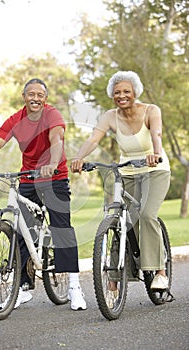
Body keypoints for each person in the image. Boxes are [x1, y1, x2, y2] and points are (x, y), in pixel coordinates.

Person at [0, 78, 86, 311]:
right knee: (22, 231)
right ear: (24, 97)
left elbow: (56, 139)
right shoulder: (15, 120)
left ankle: (73, 286)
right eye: (31, 94)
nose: (36, 98)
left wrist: (51, 163)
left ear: (45, 99)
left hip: (54, 177)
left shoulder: (52, 115)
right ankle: (23, 287)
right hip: (28, 177)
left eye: (40, 95)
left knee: (62, 229)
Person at [71, 70, 171, 303]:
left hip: (154, 170)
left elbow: (156, 133)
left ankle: (160, 272)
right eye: (117, 92)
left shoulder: (151, 110)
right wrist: (79, 158)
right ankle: (115, 277)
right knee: (119, 220)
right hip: (125, 172)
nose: (122, 95)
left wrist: (156, 153)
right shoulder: (110, 116)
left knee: (146, 215)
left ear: (135, 92)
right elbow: (94, 138)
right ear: (112, 95)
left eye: (126, 91)